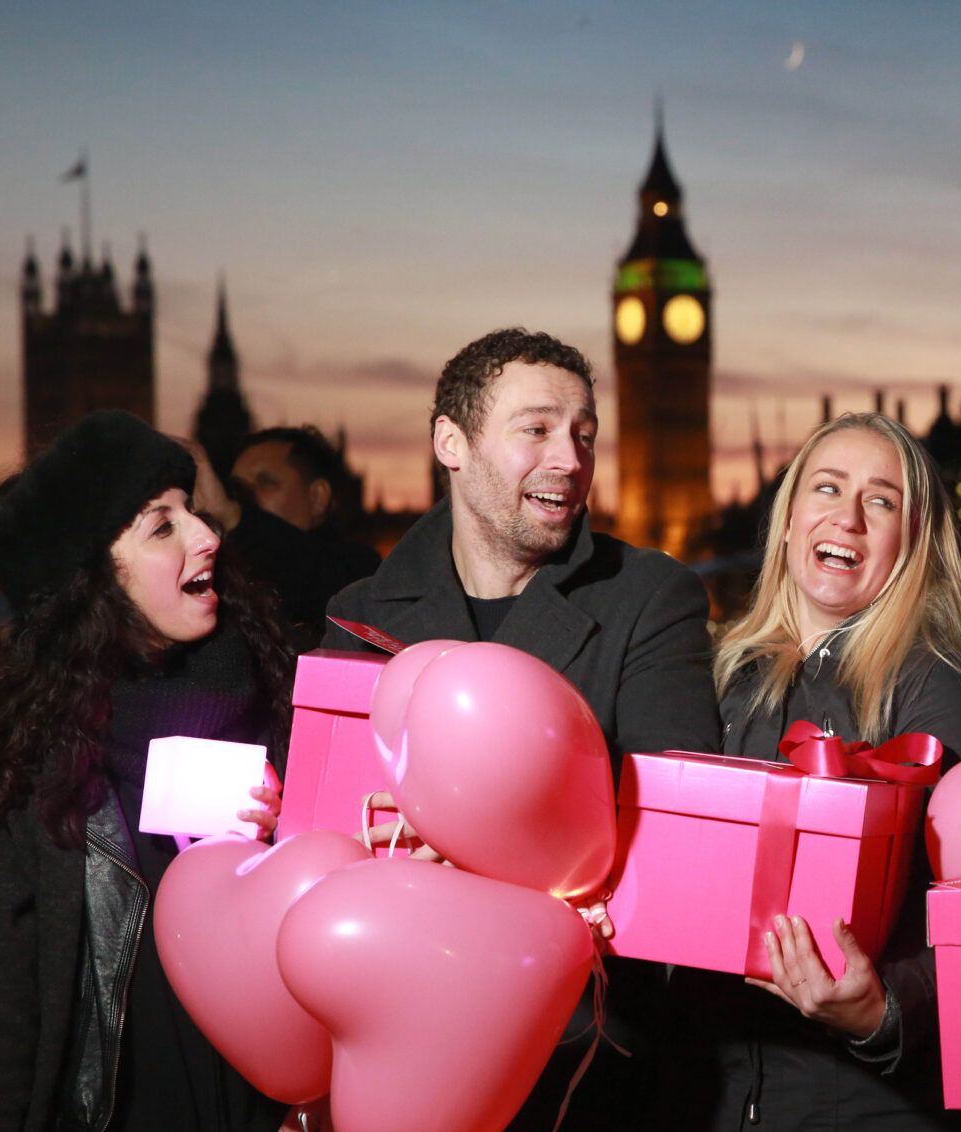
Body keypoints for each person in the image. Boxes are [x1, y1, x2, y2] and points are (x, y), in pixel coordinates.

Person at [322, 327, 720, 1128]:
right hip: (399, 1045)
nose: (571, 460)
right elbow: (329, 834)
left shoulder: (649, 599)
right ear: (452, 443)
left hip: (581, 1060)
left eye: (583, 434)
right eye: (536, 429)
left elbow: (676, 844)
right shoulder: (358, 615)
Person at [659, 412, 961, 1130]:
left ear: (911, 543)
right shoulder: (723, 673)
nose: (847, 517)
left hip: (863, 1105)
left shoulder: (933, 684)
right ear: (788, 522)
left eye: (880, 501)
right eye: (826, 488)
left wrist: (881, 1012)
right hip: (719, 1096)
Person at [0, 410, 292, 1132]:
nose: (208, 536)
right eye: (161, 525)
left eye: (194, 513)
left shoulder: (277, 702)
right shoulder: (16, 769)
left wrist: (286, 840)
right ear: (88, 579)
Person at [183, 425, 381, 651]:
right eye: (237, 487)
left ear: (317, 497)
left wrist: (234, 518)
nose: (245, 496)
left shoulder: (358, 570)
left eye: (265, 481)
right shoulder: (214, 572)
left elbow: (317, 583)